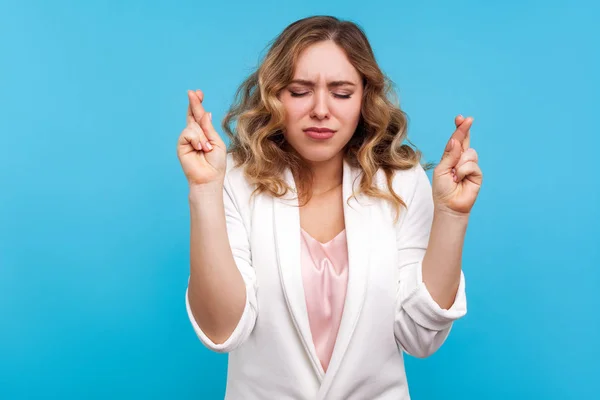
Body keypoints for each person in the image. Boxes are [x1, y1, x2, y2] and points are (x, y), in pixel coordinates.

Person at [176, 15, 482, 400]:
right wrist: (204, 190)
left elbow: (421, 338)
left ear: (364, 99)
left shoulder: (401, 182)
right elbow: (222, 331)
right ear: (275, 96)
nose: (321, 110)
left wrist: (452, 216)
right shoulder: (234, 179)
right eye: (300, 90)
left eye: (341, 93)